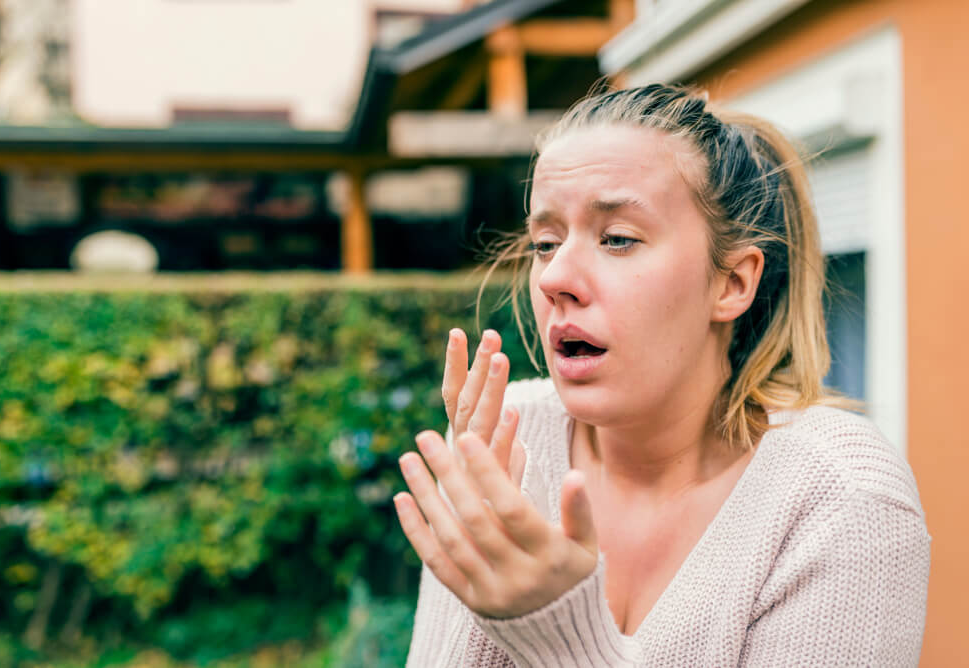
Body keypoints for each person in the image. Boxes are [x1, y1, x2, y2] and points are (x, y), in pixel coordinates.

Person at [392, 84, 930, 667]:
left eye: (618, 239)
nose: (553, 278)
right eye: (545, 243)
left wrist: (555, 633)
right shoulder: (503, 438)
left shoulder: (840, 500)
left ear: (732, 283)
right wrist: (491, 593)